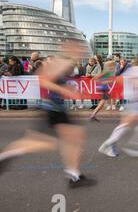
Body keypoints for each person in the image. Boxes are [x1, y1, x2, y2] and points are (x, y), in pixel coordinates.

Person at [0, 45, 97, 188]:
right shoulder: (59, 63)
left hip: (57, 108)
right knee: (47, 142)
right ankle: (7, 154)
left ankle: (74, 175)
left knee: (75, 138)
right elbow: (45, 81)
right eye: (78, 48)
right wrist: (66, 91)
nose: (80, 51)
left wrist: (68, 90)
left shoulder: (66, 65)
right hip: (53, 108)